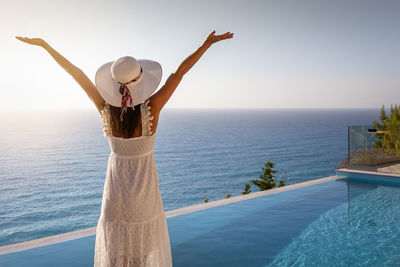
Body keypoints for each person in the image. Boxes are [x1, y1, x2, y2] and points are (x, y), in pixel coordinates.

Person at [16, 30, 233, 266]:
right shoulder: (152, 110)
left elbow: (76, 73)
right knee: (141, 252)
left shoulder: (106, 110)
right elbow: (178, 73)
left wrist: (45, 46)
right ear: (140, 81)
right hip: (144, 193)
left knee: (116, 254)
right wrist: (206, 44)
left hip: (116, 195)